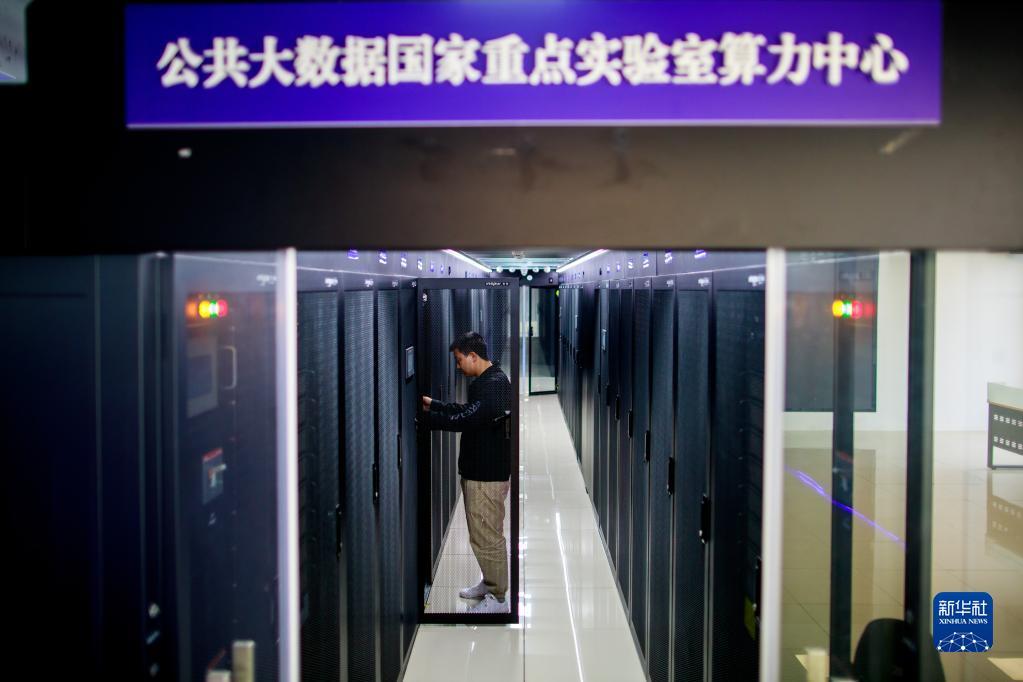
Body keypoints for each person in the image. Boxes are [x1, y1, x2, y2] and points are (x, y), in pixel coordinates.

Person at [422, 331, 512, 614]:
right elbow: (470, 411)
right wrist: (436, 405)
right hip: (481, 471)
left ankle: (499, 598)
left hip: (486, 476)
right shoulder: (488, 381)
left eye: (459, 360)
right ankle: (490, 582)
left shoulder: (494, 385)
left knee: (487, 537)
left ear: (473, 356)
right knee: (481, 534)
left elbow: (467, 419)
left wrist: (428, 420)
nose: (458, 366)